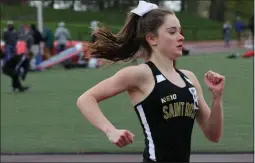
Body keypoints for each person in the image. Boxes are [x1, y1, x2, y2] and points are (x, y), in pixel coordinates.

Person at [76, 1, 225, 163]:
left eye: (180, 32)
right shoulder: (141, 74)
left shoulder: (189, 78)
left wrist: (217, 97)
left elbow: (213, 135)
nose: (181, 37)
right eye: (172, 32)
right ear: (152, 39)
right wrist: (110, 131)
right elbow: (85, 99)